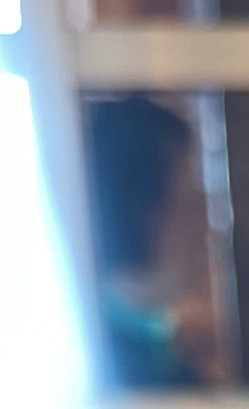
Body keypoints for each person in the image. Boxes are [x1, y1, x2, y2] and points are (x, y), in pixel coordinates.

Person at [85, 94, 211, 390]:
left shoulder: (156, 343)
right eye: (190, 195)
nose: (208, 215)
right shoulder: (130, 385)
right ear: (144, 213)